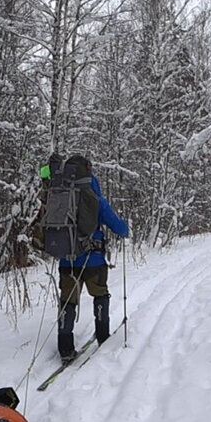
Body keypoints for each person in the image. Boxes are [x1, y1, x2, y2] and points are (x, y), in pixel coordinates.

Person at [53, 154, 128, 363]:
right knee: (100, 295)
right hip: (93, 261)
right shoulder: (94, 196)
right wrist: (125, 227)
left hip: (67, 260)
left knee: (67, 302)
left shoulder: (59, 196)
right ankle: (103, 336)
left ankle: (65, 349)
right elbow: (119, 228)